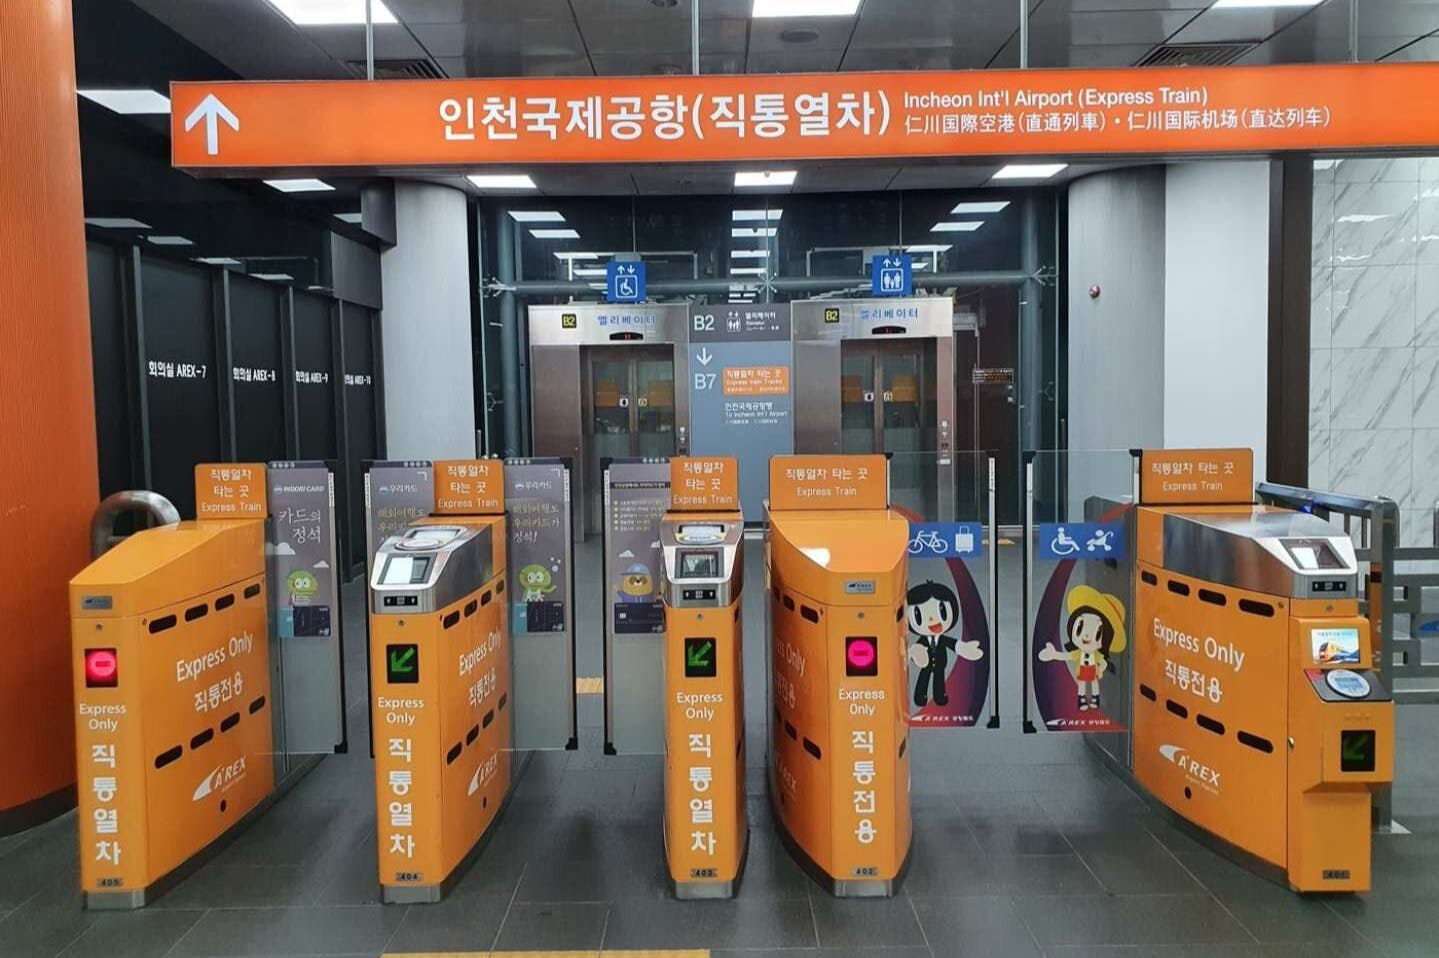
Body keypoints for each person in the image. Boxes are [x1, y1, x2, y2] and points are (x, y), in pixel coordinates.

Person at [1038, 584, 1127, 711]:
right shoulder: (1079, 652)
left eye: (1096, 633)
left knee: (1094, 684)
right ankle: (1082, 700)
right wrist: (1053, 654)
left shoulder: (1097, 654)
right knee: (1082, 685)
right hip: (1082, 670)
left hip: (1093, 670)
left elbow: (1102, 662)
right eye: (1081, 627)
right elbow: (1067, 656)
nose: (1086, 635)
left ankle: (1095, 698)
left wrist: (1101, 668)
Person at [906, 581, 982, 708]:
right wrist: (916, 653)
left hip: (940, 663)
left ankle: (939, 696)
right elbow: (917, 650)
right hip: (926, 664)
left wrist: (964, 649)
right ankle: (920, 697)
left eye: (942, 611)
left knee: (939, 680)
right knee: (923, 679)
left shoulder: (942, 639)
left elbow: (953, 644)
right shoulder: (923, 641)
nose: (932, 620)